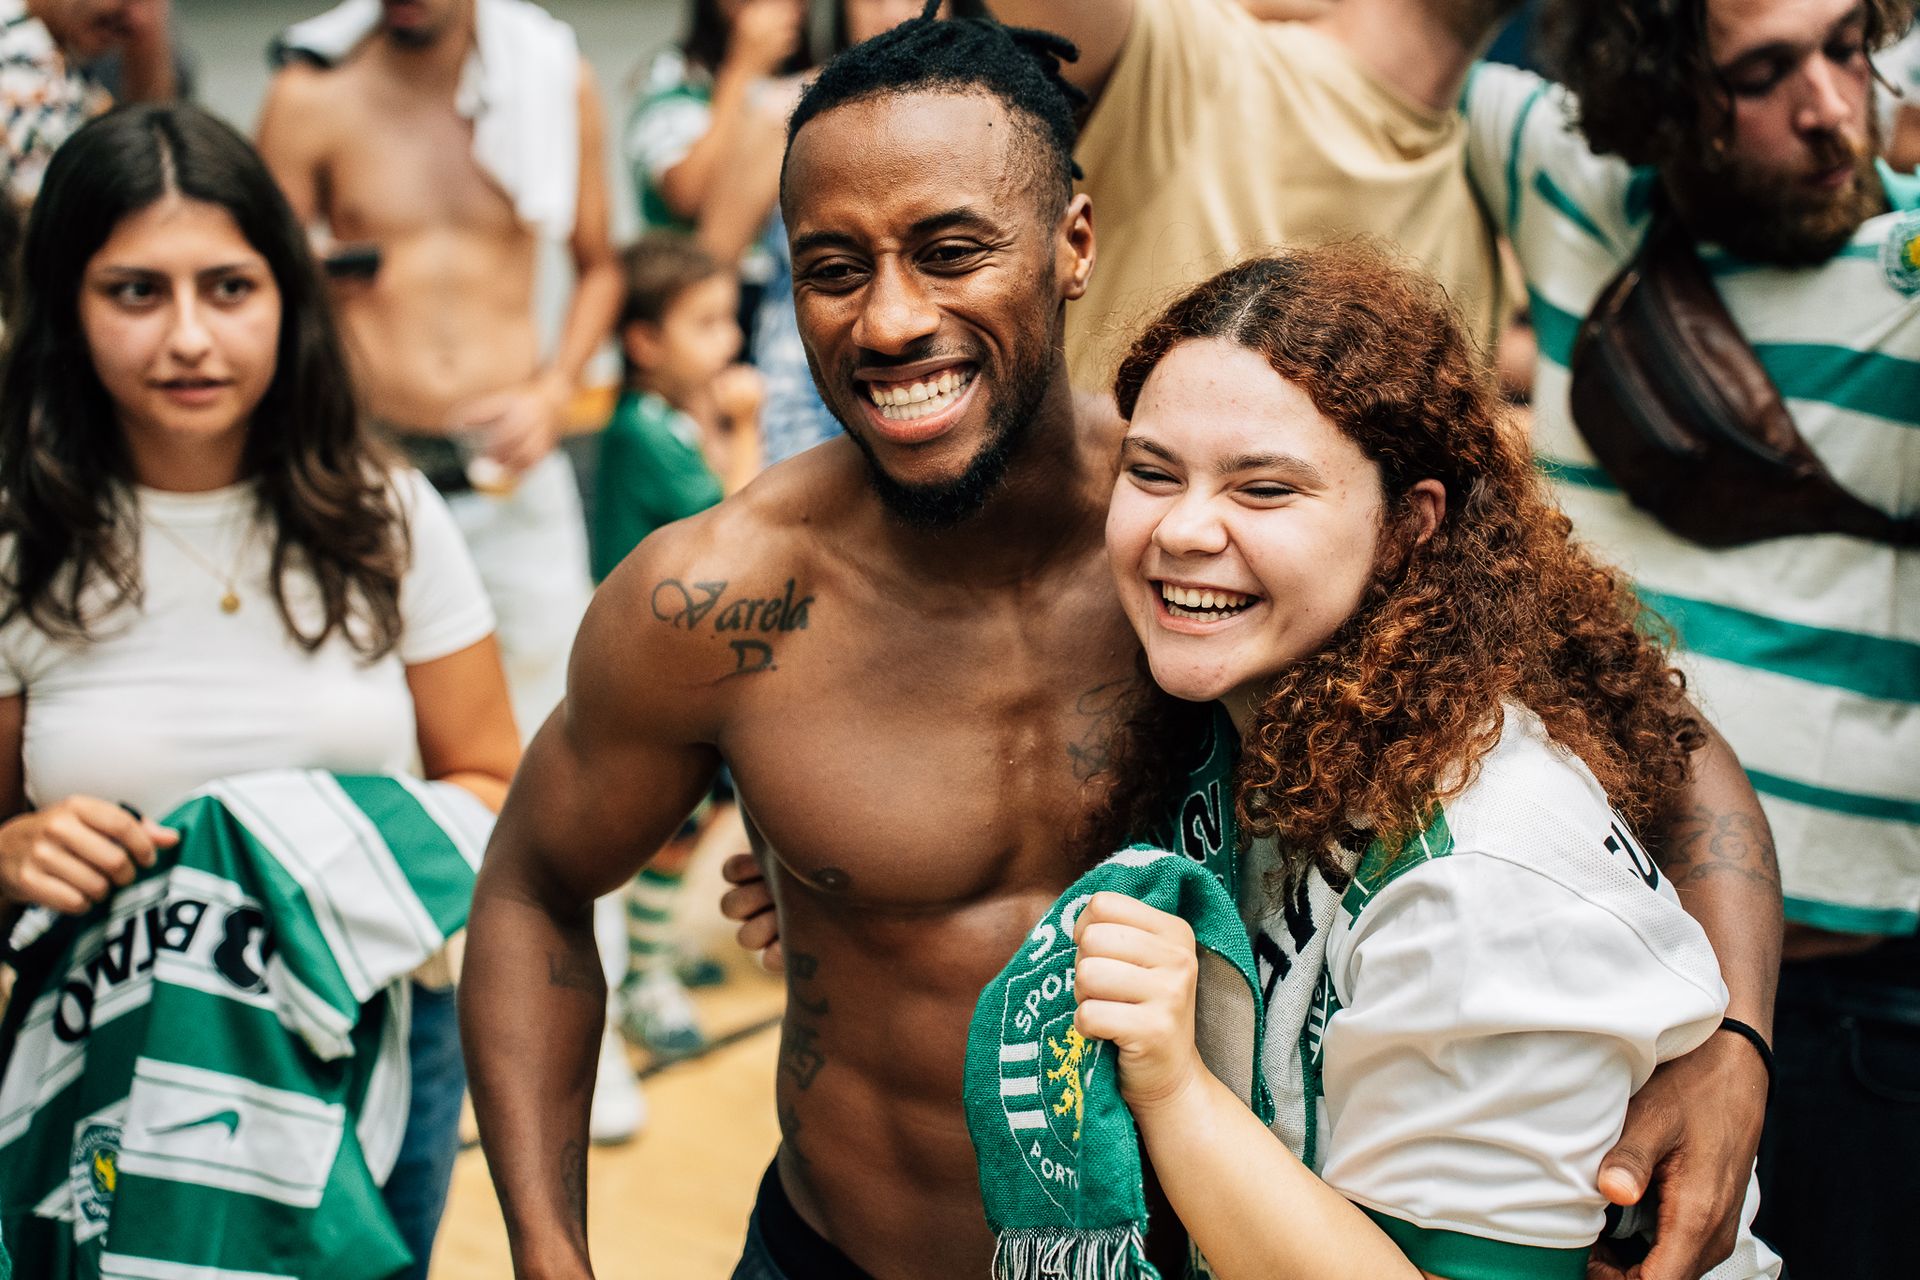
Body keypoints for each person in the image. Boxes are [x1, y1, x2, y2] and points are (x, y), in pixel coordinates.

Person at [461, 12, 1780, 1280]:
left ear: (1072, 243)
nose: (890, 319)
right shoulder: (717, 602)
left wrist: (1735, 1043)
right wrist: (550, 1254)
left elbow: (1669, 752)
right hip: (839, 1255)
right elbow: (528, 885)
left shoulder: (1223, 548)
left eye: (951, 249)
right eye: (833, 268)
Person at [1071, 245, 1780, 1280]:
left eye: (1264, 488)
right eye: (1152, 472)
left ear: (1410, 525)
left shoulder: (1483, 880)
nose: (1183, 528)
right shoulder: (1263, 707)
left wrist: (1176, 1090)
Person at [0, 103, 516, 1278]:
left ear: (287, 296)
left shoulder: (389, 518)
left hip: (374, 1037)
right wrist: (12, 853)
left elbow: (498, 791)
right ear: (67, 307)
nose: (189, 336)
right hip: (108, 1052)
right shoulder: (19, 546)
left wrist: (286, 842)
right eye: (136, 291)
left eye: (229, 288)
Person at [1460, 0, 1916, 1274]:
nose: (1830, 108)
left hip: (1848, 1006)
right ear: (1655, 93)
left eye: (1847, 45)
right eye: (1762, 74)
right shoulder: (1564, 175)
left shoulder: (1906, 260)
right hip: (1572, 960)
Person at [254, 0, 640, 1142]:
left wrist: (554, 389)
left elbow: (600, 265)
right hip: (364, 477)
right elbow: (255, 279)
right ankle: (431, 1044)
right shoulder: (311, 94)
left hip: (514, 477)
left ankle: (588, 1039)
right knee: (395, 756)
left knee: (576, 755)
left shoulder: (547, 74)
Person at [593, 233, 761, 1056]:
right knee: (675, 829)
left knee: (705, 814)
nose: (728, 340)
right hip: (657, 674)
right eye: (705, 324)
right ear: (644, 341)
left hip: (694, 665)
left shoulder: (675, 424)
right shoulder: (640, 433)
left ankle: (651, 952)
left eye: (730, 320)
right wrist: (747, 425)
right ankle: (643, 983)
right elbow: (738, 525)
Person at [0, 0, 173, 208]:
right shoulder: (19, 57)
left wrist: (146, 47)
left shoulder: (67, 64)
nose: (139, 20)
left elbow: (155, 147)